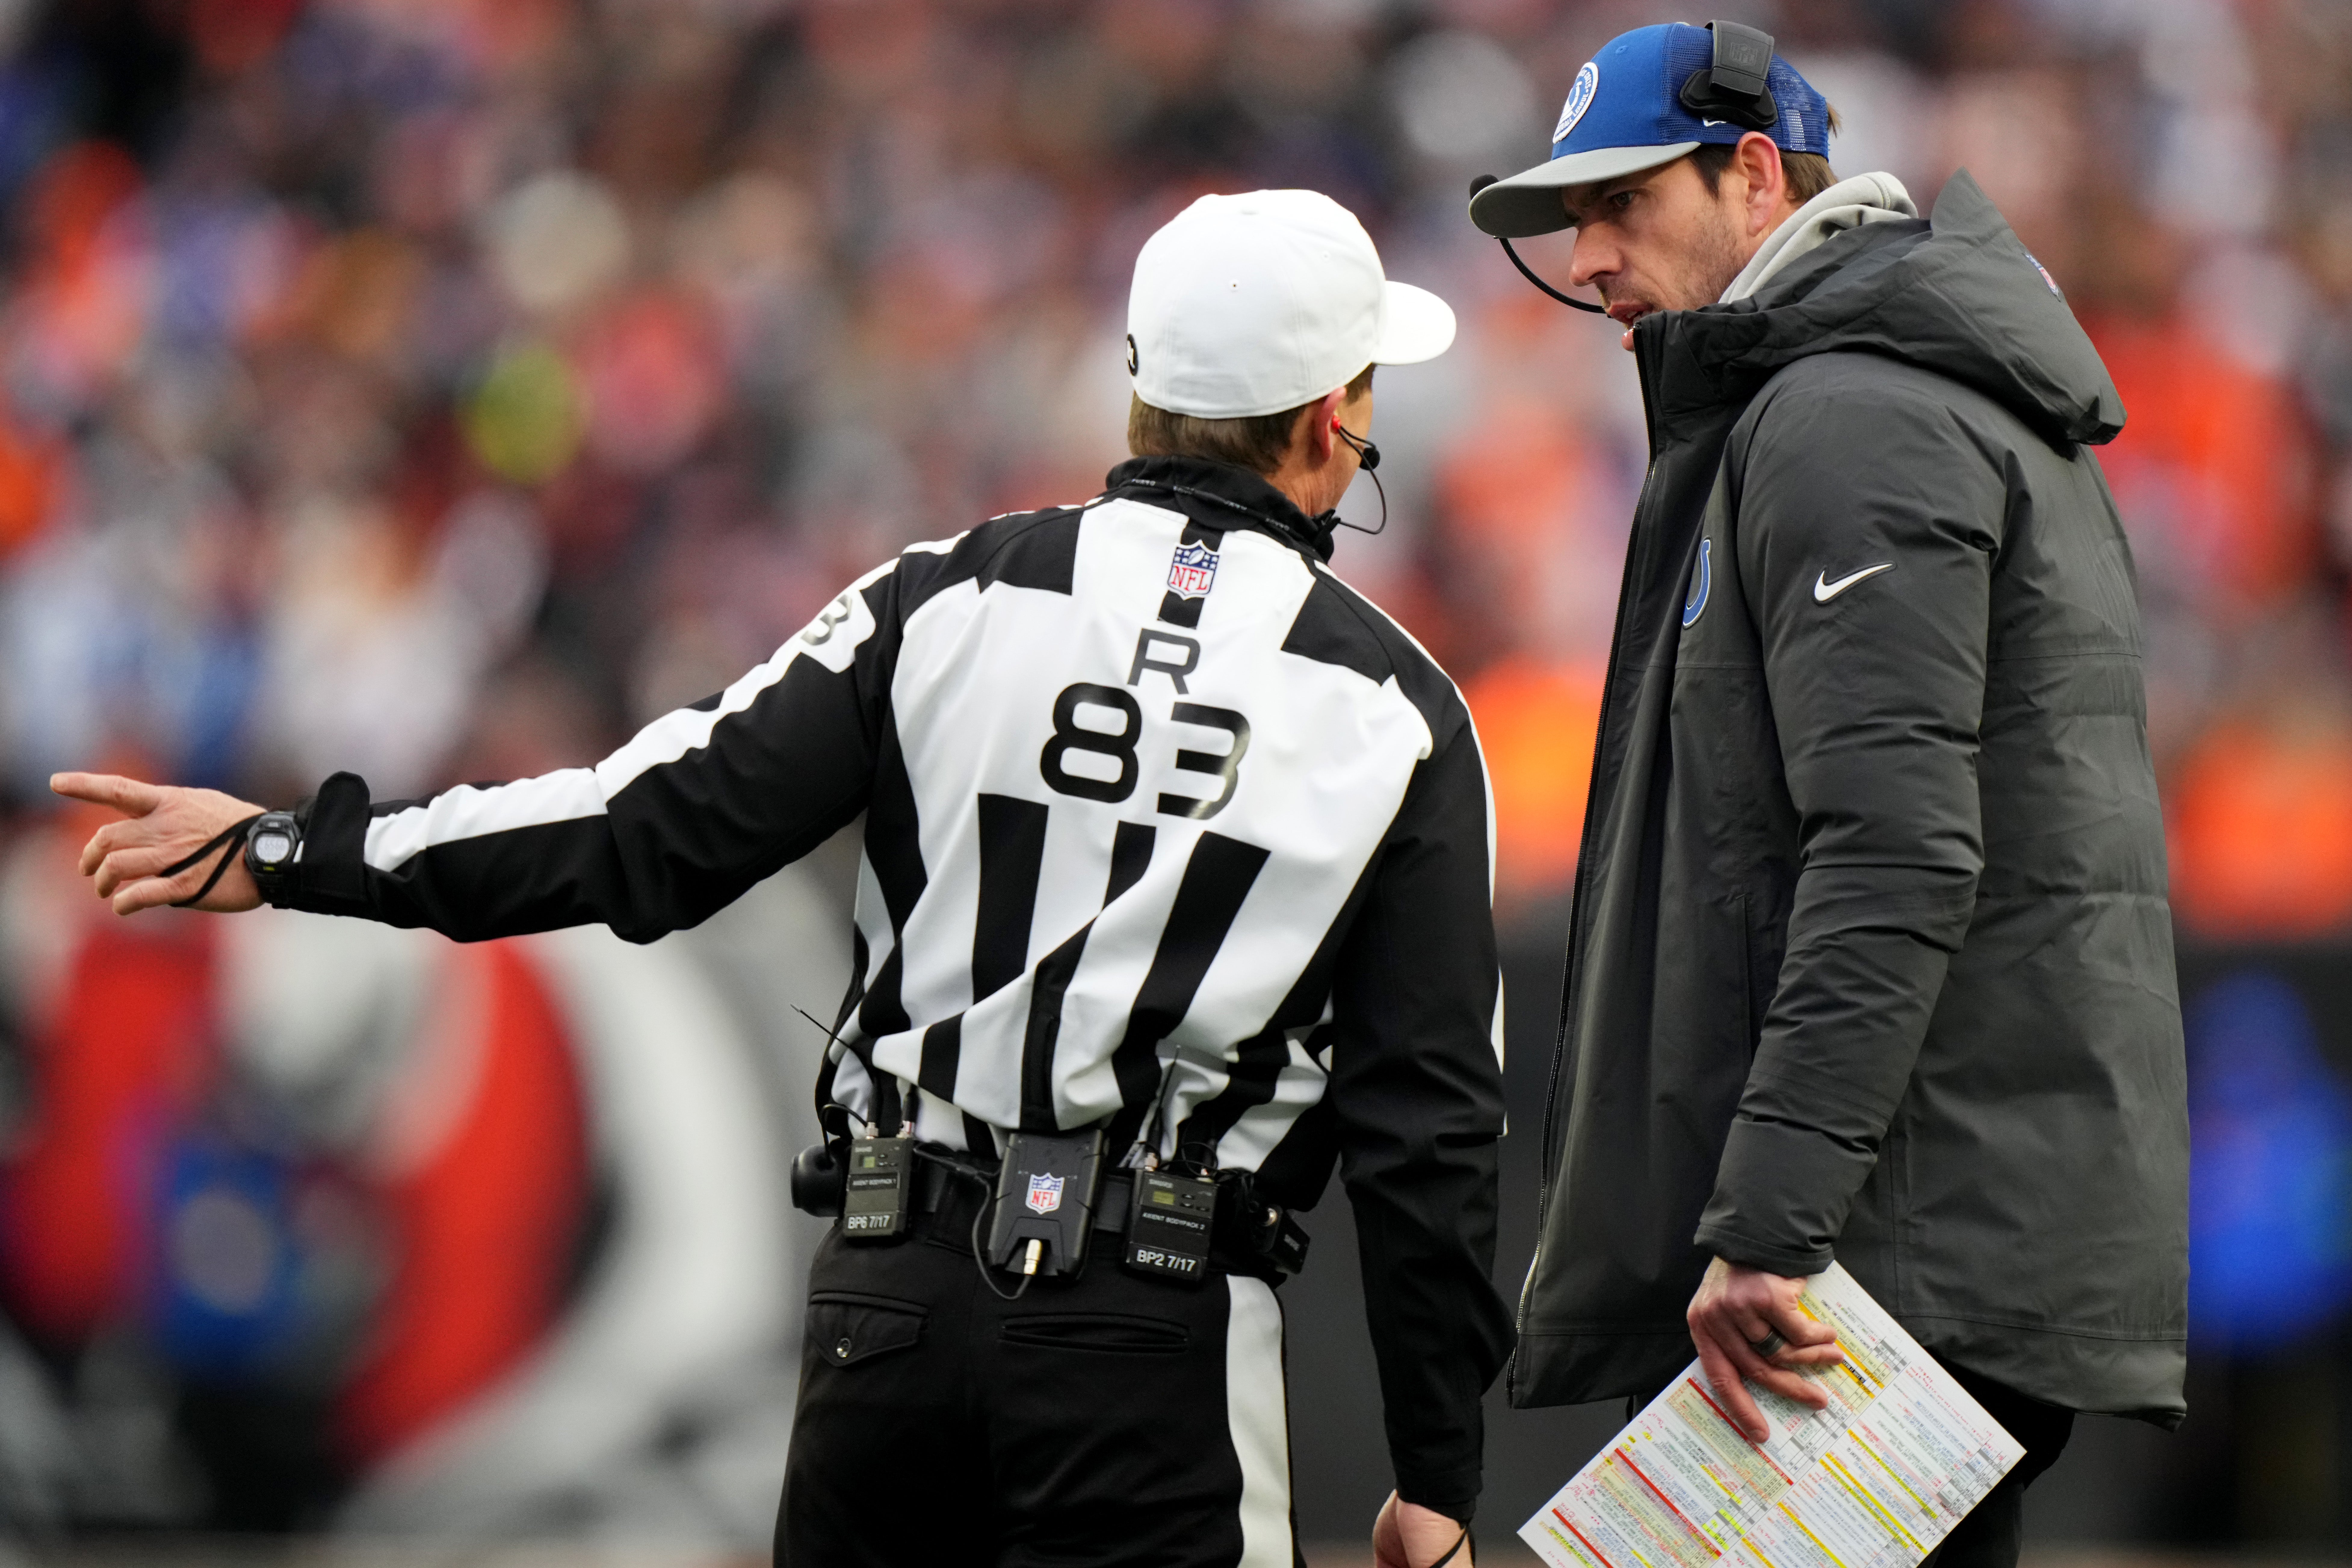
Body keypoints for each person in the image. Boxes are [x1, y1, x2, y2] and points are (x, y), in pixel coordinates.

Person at [54, 189, 1512, 1568]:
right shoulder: (1393, 708)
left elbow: (640, 830)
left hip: (892, 1306)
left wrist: (294, 848)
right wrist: (1436, 1475)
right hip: (1159, 1333)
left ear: (1136, 388)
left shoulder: (944, 598)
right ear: (1331, 420)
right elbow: (1428, 1130)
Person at [1469, 20, 2187, 1567]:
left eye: (1618, 207)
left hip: (1868, 1265)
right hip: (1908, 1231)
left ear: (1747, 174)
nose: (1585, 257)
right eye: (1567, 221)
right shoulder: (1868, 394)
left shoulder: (1844, 414)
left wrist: (1769, 1221)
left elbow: (1896, 852)